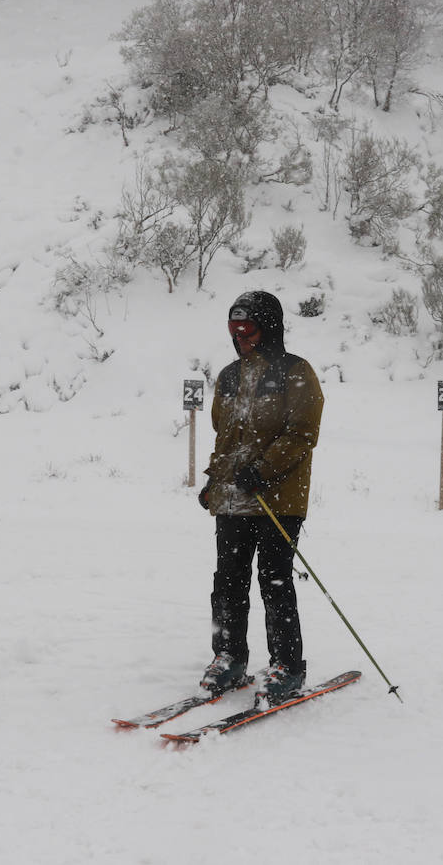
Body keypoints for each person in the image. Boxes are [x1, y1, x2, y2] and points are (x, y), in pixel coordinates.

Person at [197, 290, 324, 705]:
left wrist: (263, 470)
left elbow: (303, 434)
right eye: (234, 329)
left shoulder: (295, 372)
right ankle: (229, 657)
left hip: (278, 500)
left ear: (267, 328)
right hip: (233, 500)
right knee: (227, 582)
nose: (240, 337)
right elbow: (224, 438)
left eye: (247, 328)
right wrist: (214, 481)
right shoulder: (229, 376)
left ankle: (287, 666)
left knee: (274, 581)